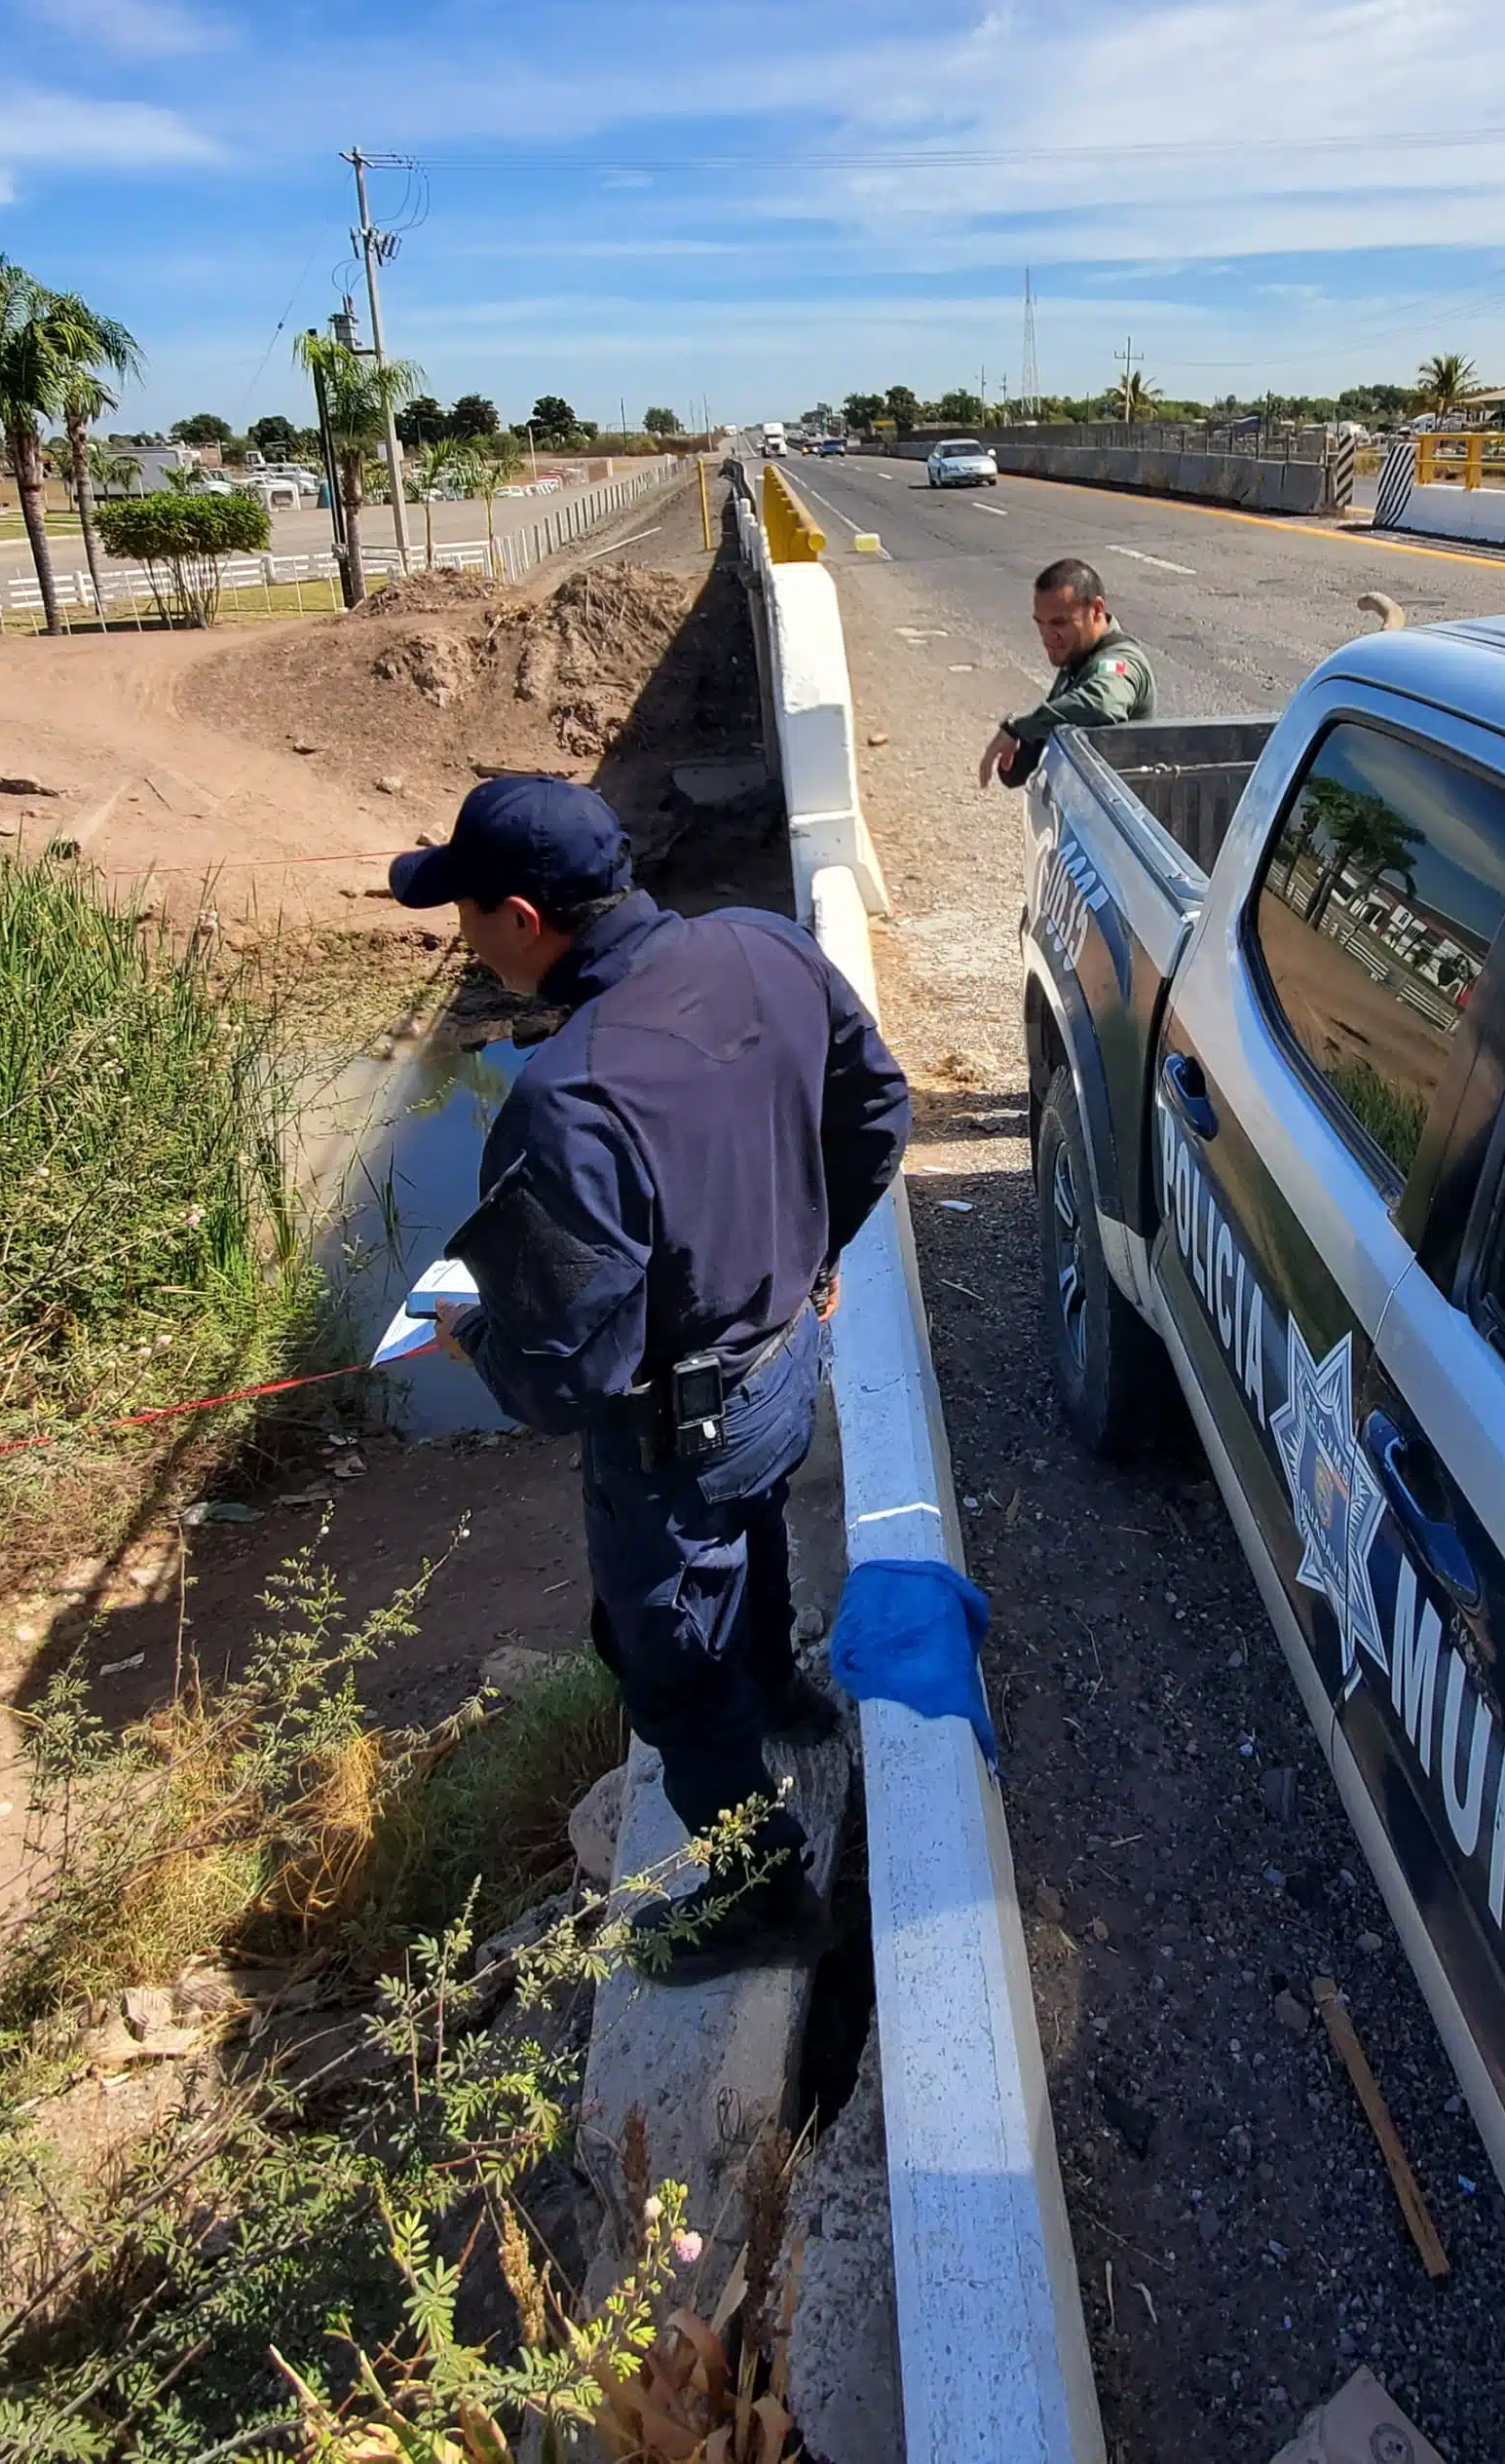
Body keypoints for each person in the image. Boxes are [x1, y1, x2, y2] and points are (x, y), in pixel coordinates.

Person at [393, 775, 913, 1981]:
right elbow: (875, 1104)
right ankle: (780, 1686)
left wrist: (475, 1337)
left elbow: (570, 1369)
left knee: (667, 1667)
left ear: (522, 917)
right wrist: (819, 1244)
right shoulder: (763, 944)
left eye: (463, 912)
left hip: (678, 1429)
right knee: (761, 1517)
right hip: (787, 1363)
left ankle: (760, 1885)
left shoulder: (566, 1094)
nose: (460, 938)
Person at [976, 556, 1158, 787]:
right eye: (1040, 623)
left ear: (1097, 610)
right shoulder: (1077, 655)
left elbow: (1101, 703)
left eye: (1059, 623)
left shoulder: (1118, 662)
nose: (1046, 636)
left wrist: (1020, 729)